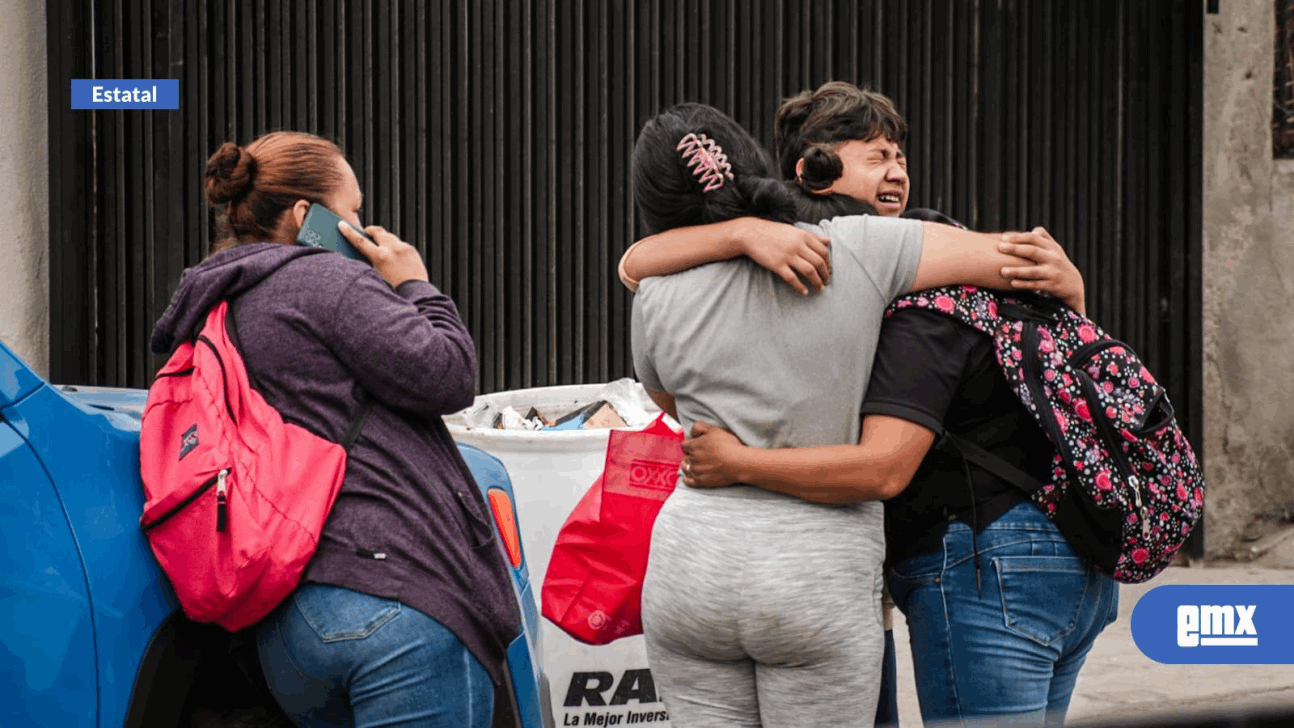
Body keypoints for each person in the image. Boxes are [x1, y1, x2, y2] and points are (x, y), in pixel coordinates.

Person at [628, 102, 1084, 728]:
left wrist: (736, 238)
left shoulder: (653, 289)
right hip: (815, 574)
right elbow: (1017, 261)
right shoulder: (861, 247)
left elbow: (668, 400)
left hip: (688, 570)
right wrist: (1068, 282)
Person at [149, 131, 520, 727]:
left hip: (289, 630)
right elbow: (449, 375)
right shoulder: (328, 282)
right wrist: (413, 283)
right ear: (307, 216)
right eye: (352, 212)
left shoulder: (214, 307)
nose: (364, 230)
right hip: (395, 602)